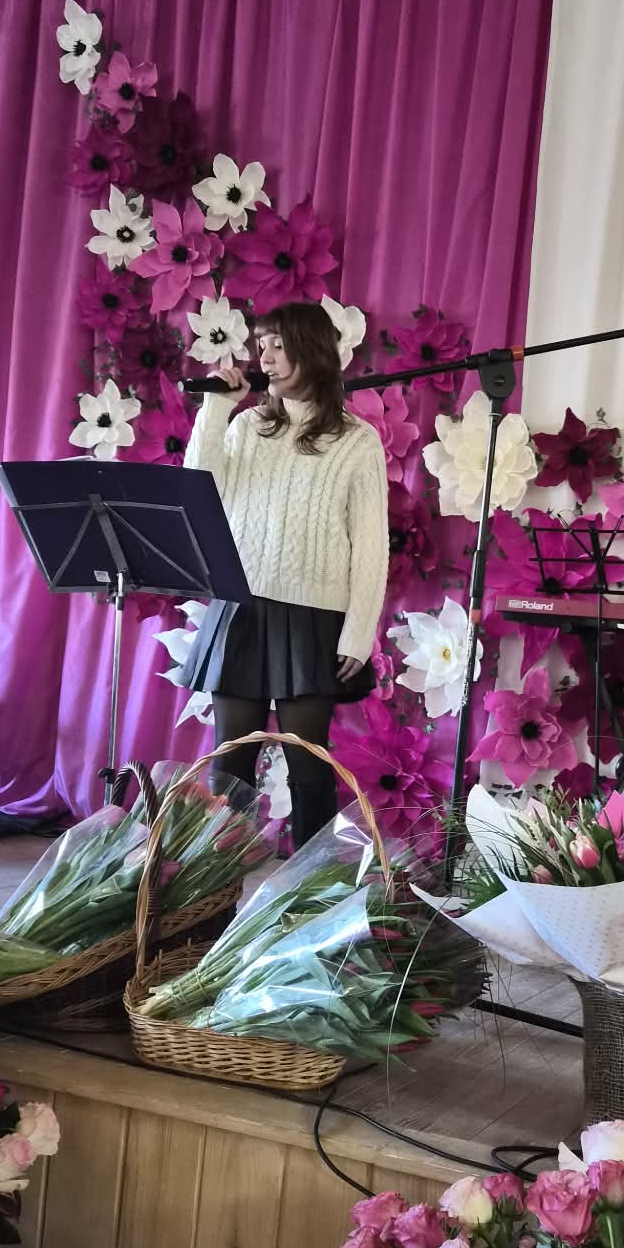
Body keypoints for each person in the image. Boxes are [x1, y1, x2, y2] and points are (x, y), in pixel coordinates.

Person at [182, 301, 389, 846]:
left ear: (311, 350)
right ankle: (216, 879)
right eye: (261, 346)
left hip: (313, 617)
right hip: (242, 607)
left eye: (278, 345)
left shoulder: (357, 440)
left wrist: (358, 632)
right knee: (231, 761)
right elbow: (197, 488)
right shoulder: (247, 425)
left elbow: (371, 545)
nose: (266, 358)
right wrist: (215, 408)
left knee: (309, 764)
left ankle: (310, 885)